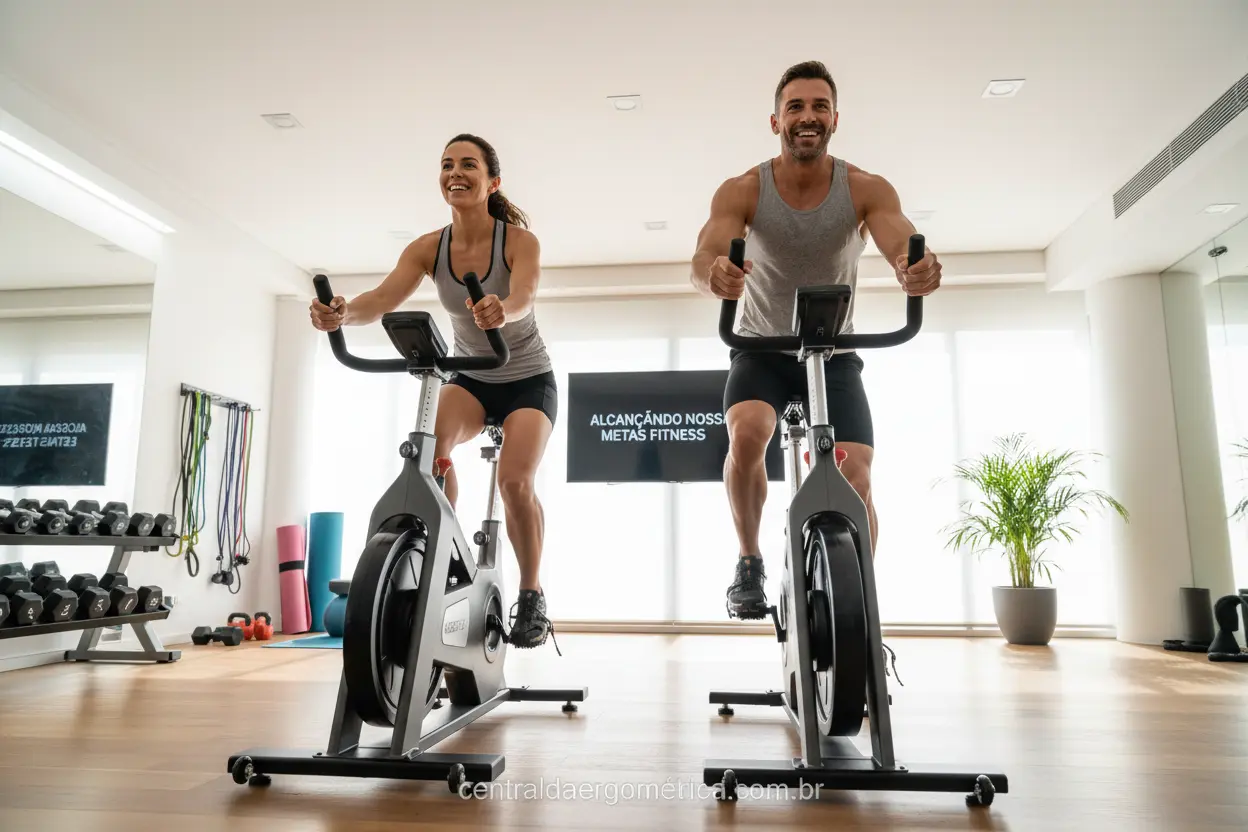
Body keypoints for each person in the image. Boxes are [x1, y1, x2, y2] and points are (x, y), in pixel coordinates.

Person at [690, 61, 943, 620]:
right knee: (747, 435)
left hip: (834, 354)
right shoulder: (743, 189)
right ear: (776, 120)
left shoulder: (865, 188)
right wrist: (713, 275)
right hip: (760, 349)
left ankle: (861, 607)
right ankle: (749, 561)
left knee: (856, 476)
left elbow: (901, 241)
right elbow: (704, 255)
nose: (808, 116)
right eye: (796, 107)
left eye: (819, 106)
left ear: (834, 119)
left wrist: (914, 268)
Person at [309, 133, 559, 650]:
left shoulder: (518, 241)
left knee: (515, 482)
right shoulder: (428, 248)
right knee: (430, 455)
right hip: (472, 375)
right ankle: (446, 554)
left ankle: (532, 594)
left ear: (493, 182)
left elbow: (525, 294)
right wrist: (342, 313)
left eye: (468, 165)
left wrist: (502, 309)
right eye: (447, 165)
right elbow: (381, 298)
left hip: (526, 378)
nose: (455, 173)